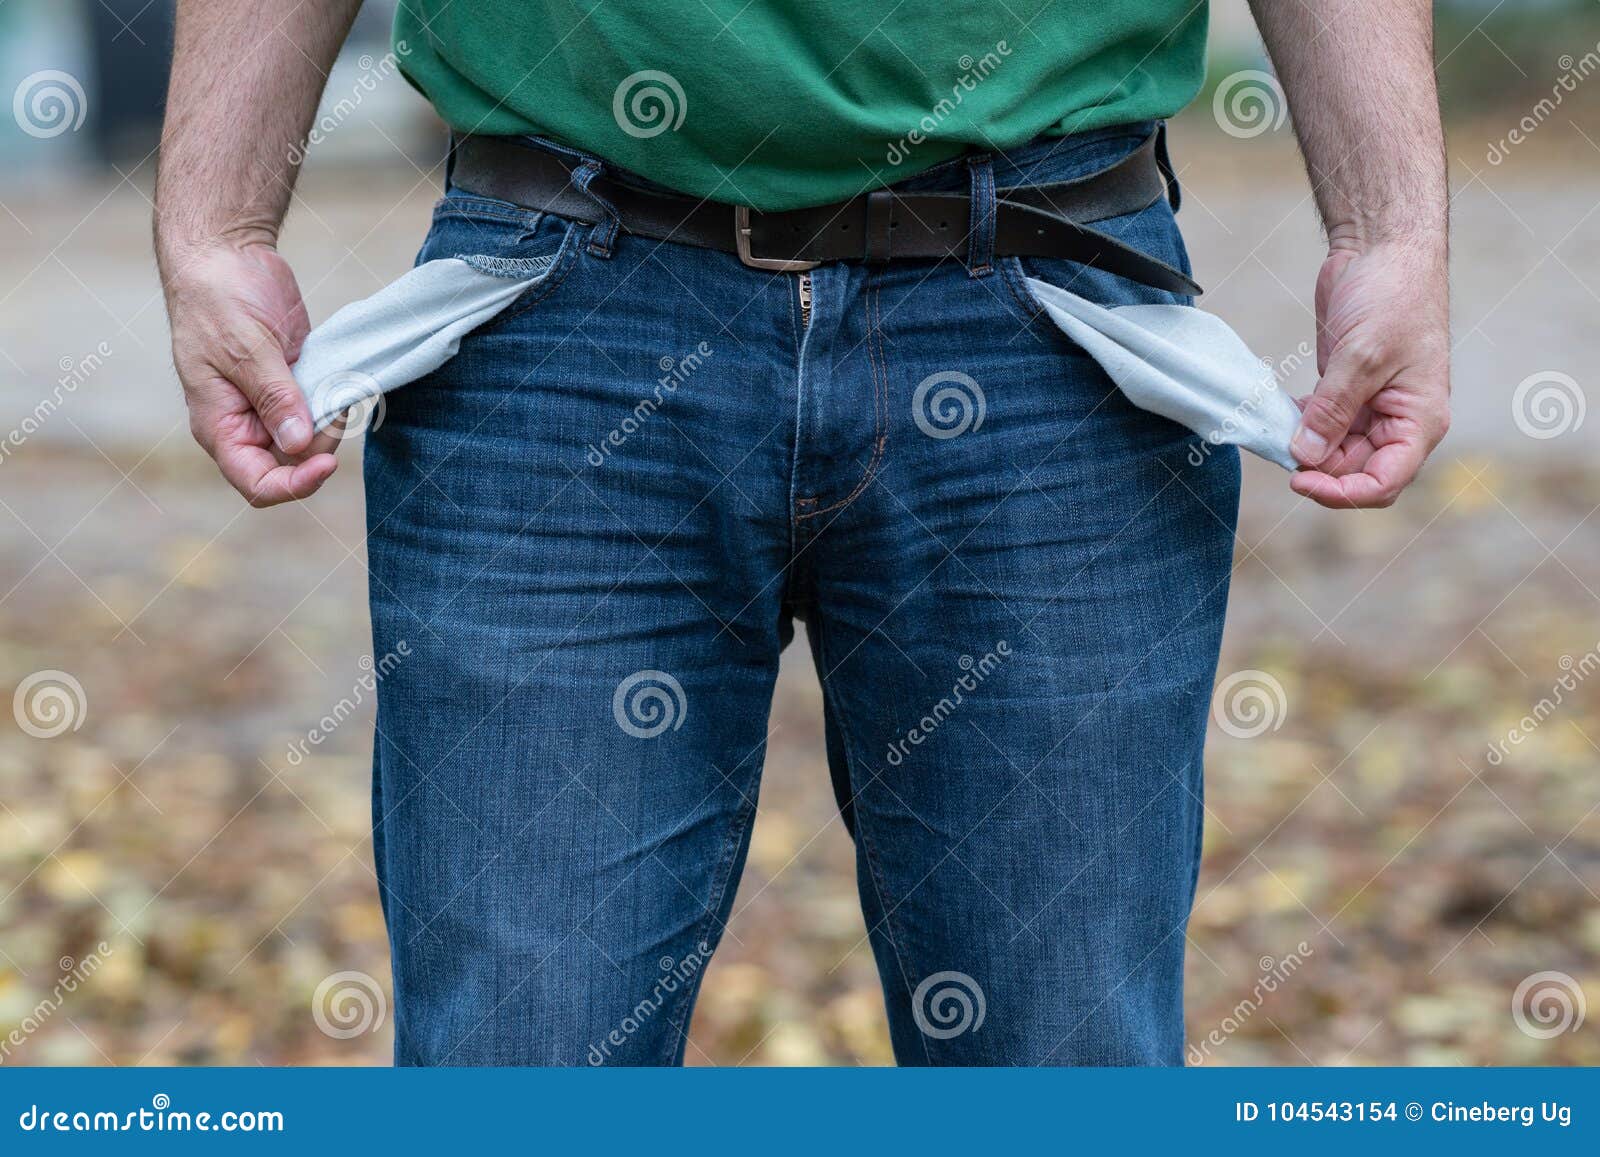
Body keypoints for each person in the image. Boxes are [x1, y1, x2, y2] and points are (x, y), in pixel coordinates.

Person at [153, 2, 1450, 1065]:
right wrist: (215, 221)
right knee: (520, 1057)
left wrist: (1392, 227)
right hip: (561, 297)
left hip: (1051, 303)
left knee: (1063, 1059)